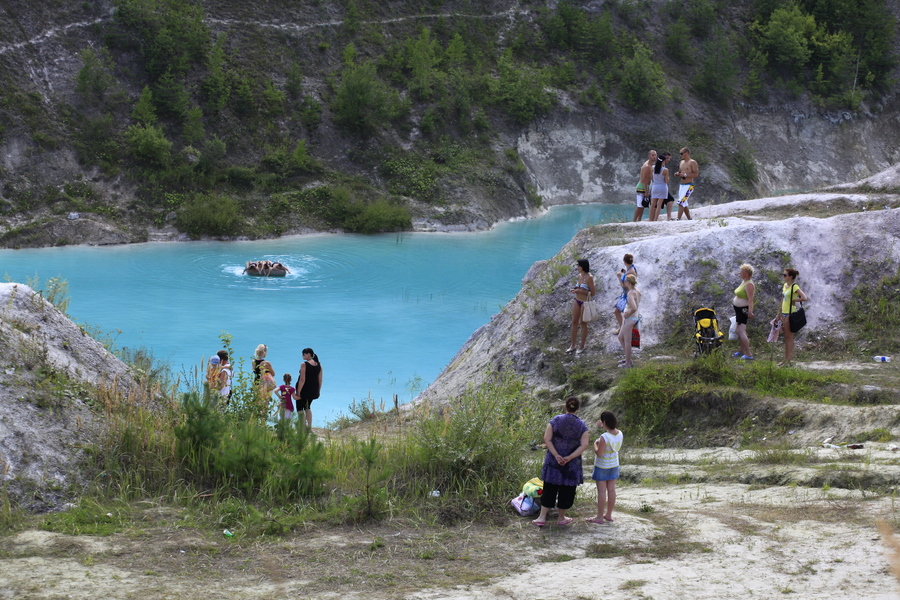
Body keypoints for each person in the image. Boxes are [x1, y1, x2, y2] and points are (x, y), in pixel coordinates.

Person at [532, 396, 590, 527]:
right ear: (578, 408)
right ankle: (561, 517)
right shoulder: (582, 425)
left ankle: (542, 517)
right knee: (567, 490)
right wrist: (569, 457)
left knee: (549, 488)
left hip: (553, 462)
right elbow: (584, 445)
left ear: (566, 406)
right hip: (571, 464)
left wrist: (557, 455)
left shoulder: (555, 420)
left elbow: (547, 439)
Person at [587, 411, 623, 525]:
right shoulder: (619, 433)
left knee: (602, 491)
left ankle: (599, 517)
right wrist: (603, 425)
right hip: (614, 465)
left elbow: (599, 453)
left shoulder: (603, 437)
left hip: (602, 466)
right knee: (611, 490)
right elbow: (610, 434)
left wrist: (595, 444)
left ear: (604, 422)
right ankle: (609, 514)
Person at [779, 268, 808, 366]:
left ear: (791, 277)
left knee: (789, 337)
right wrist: (778, 314)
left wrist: (795, 301)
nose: (783, 277)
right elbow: (783, 299)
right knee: (786, 337)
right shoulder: (785, 286)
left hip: (790, 314)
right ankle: (785, 360)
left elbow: (804, 297)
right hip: (784, 313)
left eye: (785, 275)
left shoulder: (794, 286)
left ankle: (788, 360)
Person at [566, 259, 596, 355]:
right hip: (577, 300)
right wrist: (575, 290)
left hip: (585, 302)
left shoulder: (589, 277)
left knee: (582, 323)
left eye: (579, 265)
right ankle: (573, 344)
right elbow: (579, 287)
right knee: (574, 321)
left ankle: (582, 345)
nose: (577, 267)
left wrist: (580, 291)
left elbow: (593, 293)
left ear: (583, 266)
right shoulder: (579, 276)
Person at [293, 348, 322, 428]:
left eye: (304, 354)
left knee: (299, 408)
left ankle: (302, 427)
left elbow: (302, 380)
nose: (302, 356)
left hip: (304, 390)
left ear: (309, 354)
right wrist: (318, 390)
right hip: (313, 390)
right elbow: (320, 380)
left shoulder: (304, 364)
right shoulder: (319, 365)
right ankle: (309, 427)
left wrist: (298, 392)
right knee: (307, 407)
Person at [616, 273, 641, 368]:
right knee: (620, 337)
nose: (624, 282)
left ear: (629, 282)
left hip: (630, 318)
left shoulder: (631, 293)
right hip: (632, 318)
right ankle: (628, 359)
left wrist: (628, 313)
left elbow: (634, 307)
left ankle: (628, 364)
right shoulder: (636, 291)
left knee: (627, 341)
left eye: (625, 281)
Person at [732, 264, 756, 360]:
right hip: (738, 309)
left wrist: (750, 312)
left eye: (741, 271)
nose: (740, 273)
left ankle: (749, 354)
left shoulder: (749, 284)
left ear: (746, 273)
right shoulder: (744, 282)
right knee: (740, 331)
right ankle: (741, 351)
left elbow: (751, 299)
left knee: (741, 331)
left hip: (743, 310)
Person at [614, 254, 638, 329]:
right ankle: (623, 328)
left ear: (624, 261)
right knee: (620, 312)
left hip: (627, 295)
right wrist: (624, 272)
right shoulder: (632, 268)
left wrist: (619, 278)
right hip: (628, 294)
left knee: (618, 312)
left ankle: (623, 329)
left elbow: (625, 285)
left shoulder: (629, 272)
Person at [674, 147, 698, 220]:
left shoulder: (692, 162)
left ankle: (678, 218)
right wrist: (678, 174)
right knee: (684, 202)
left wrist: (685, 175)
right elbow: (680, 172)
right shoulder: (681, 162)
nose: (680, 155)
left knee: (681, 202)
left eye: (681, 153)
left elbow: (696, 174)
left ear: (686, 153)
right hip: (682, 185)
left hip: (689, 185)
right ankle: (689, 218)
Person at [633, 150, 656, 222]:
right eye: (652, 155)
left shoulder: (651, 165)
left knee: (643, 206)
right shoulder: (646, 166)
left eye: (655, 155)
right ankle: (634, 221)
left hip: (646, 186)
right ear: (649, 156)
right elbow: (644, 180)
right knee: (640, 206)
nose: (654, 157)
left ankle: (639, 220)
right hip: (642, 187)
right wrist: (646, 191)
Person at [648, 154, 669, 222]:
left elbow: (651, 177)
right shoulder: (665, 170)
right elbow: (666, 181)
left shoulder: (652, 168)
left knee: (652, 204)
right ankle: (655, 219)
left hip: (655, 186)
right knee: (659, 205)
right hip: (662, 187)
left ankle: (650, 218)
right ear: (663, 161)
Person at [660, 152, 676, 220]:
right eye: (667, 158)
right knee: (669, 200)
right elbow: (666, 180)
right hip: (661, 187)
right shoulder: (662, 167)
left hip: (658, 186)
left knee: (669, 200)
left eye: (669, 158)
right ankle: (668, 217)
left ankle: (668, 217)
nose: (668, 160)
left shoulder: (661, 166)